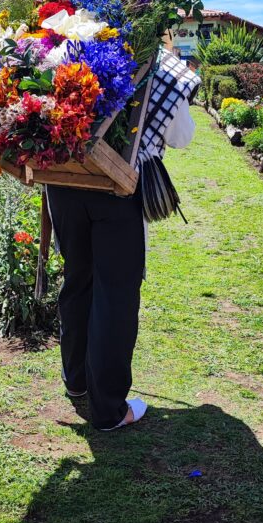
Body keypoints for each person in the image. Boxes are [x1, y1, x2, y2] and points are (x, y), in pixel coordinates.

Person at [46, 52, 200, 431]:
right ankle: (109, 409)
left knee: (78, 278)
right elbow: (181, 136)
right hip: (117, 184)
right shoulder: (162, 66)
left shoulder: (64, 51)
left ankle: (77, 380)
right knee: (115, 295)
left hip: (64, 180)